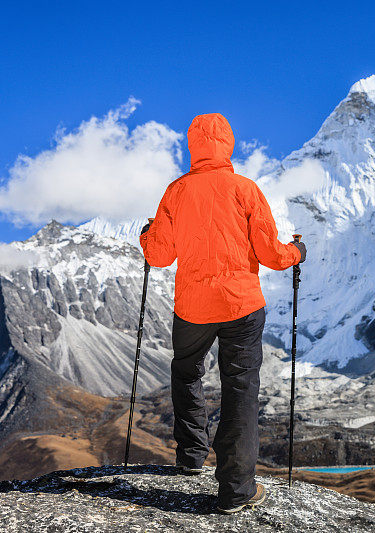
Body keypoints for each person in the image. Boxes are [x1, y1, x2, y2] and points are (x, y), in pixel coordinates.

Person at [140, 113, 306, 514]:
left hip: (193, 307)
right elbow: (270, 253)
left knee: (186, 371)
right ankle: (235, 491)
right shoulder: (245, 190)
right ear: (228, 145)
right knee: (240, 388)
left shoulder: (176, 191)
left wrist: (146, 233)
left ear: (193, 146)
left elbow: (159, 256)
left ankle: (191, 456)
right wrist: (297, 252)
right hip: (242, 305)